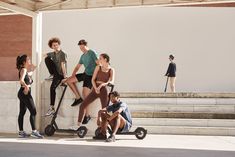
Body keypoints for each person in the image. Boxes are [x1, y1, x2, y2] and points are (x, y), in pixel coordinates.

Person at [70, 53, 115, 130]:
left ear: (105, 59)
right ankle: (78, 125)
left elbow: (112, 81)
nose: (99, 60)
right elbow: (93, 79)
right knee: (82, 105)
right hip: (95, 89)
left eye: (100, 58)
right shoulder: (98, 67)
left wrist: (102, 85)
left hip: (103, 90)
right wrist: (95, 88)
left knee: (104, 110)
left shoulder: (111, 70)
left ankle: (105, 127)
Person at [63, 39, 98, 123]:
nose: (82, 49)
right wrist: (72, 75)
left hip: (91, 76)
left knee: (86, 96)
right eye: (80, 48)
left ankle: (87, 115)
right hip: (85, 74)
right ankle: (78, 98)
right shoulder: (82, 56)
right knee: (68, 81)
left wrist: (96, 76)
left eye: (83, 47)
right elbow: (77, 67)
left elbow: (98, 64)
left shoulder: (92, 52)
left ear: (86, 45)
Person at [16, 54, 43, 138]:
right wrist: (26, 86)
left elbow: (33, 70)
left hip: (22, 93)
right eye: (28, 59)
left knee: (22, 112)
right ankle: (34, 131)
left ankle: (21, 132)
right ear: (24, 62)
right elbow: (21, 80)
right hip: (24, 93)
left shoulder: (25, 71)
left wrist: (41, 58)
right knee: (33, 111)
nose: (30, 61)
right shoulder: (23, 70)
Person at [44, 37, 67, 116]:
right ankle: (52, 74)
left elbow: (63, 65)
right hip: (55, 73)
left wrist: (65, 77)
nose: (56, 46)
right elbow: (45, 54)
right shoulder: (53, 54)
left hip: (60, 74)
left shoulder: (62, 53)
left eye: (57, 45)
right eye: (54, 45)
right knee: (47, 59)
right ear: (52, 47)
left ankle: (52, 108)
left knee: (52, 88)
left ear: (59, 45)